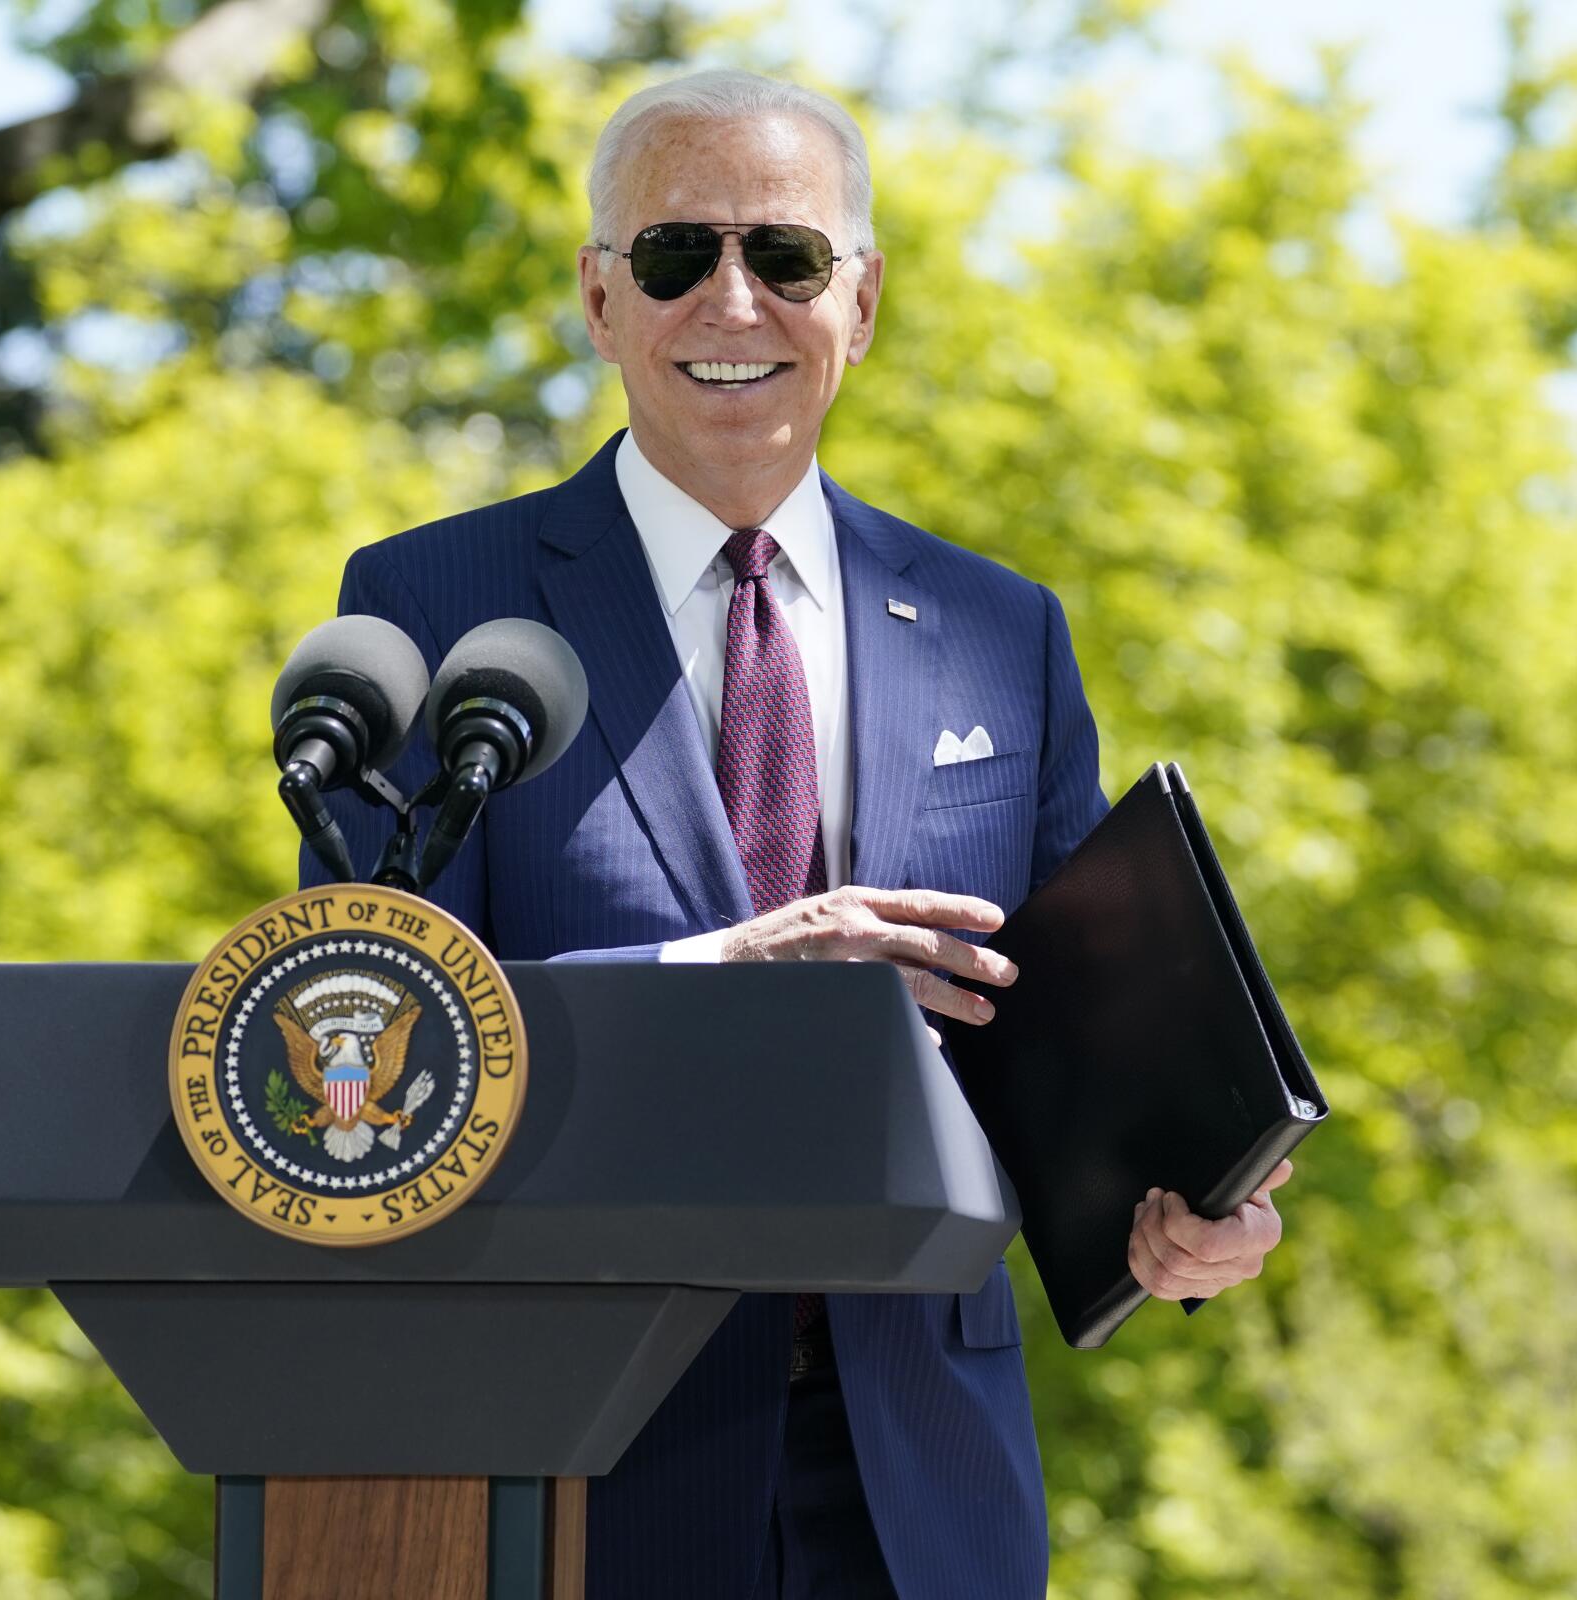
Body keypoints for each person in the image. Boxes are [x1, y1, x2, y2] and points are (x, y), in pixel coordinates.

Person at [302, 65, 1292, 1600]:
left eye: (787, 255)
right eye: (678, 254)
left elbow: (1073, 1039)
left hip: (923, 1470)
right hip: (580, 1449)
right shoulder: (434, 612)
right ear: (599, 298)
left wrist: (1180, 1205)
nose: (734, 302)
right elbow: (374, 1049)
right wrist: (731, 973)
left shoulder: (997, 631)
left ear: (864, 301)